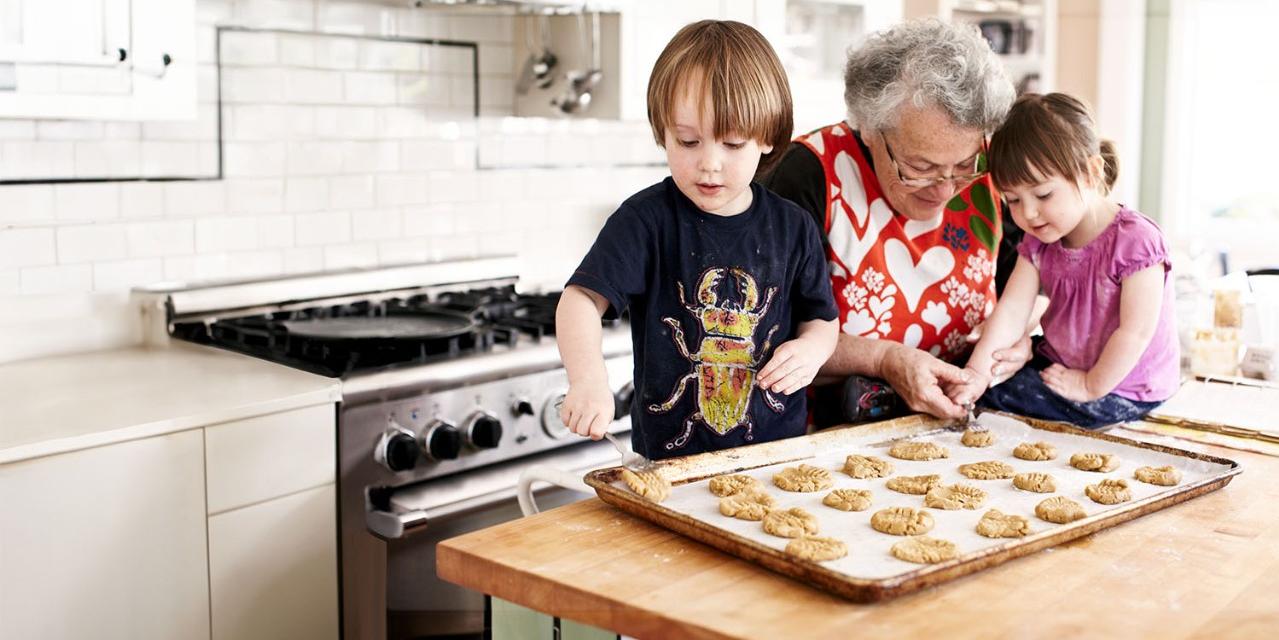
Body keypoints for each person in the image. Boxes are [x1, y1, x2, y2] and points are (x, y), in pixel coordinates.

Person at [555, 20, 839, 460]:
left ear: (766, 138)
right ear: (662, 133)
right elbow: (580, 301)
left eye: (731, 143)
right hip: (669, 463)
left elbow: (821, 319)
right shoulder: (644, 221)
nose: (709, 163)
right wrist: (588, 380)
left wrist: (811, 350)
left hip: (776, 459)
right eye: (687, 141)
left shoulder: (794, 227)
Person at [762, 18, 1032, 425]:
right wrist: (886, 359)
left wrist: (1020, 338)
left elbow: (1032, 282)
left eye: (963, 165)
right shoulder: (809, 175)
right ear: (868, 127)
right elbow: (767, 333)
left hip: (967, 424)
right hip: (831, 436)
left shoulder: (993, 169)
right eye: (919, 167)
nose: (945, 188)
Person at [951, 93, 1180, 427]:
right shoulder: (1039, 242)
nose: (1027, 213)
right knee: (980, 380)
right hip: (1064, 364)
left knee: (1001, 401)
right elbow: (1013, 310)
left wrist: (1090, 384)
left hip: (1124, 386)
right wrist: (976, 373)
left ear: (1090, 173)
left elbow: (1136, 332)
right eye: (1013, 200)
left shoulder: (1136, 241)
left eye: (1043, 194)